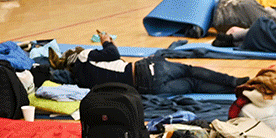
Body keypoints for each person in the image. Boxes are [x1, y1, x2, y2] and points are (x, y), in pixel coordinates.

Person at [66, 31, 246, 95]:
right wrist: (106, 41)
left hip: (146, 89)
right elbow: (113, 54)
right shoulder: (84, 57)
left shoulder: (81, 82)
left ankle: (235, 90)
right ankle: (233, 81)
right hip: (145, 69)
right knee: (190, 71)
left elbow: (112, 64)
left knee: (193, 85)